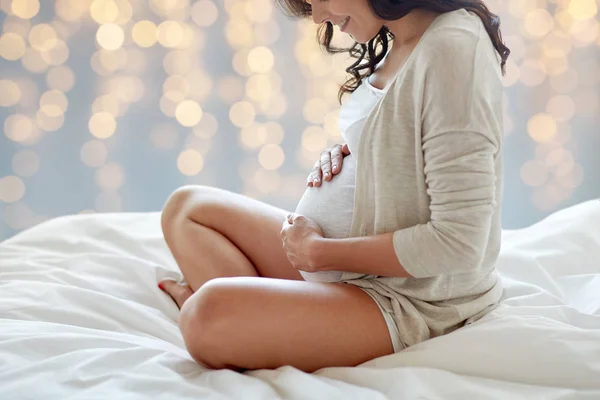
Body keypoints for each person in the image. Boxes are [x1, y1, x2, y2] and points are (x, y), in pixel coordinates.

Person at [158, 0, 510, 373]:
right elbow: (408, 139)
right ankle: (265, 320)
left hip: (407, 298)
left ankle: (253, 320)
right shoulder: (401, 34)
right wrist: (356, 153)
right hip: (349, 266)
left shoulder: (453, 48)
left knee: (204, 317)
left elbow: (461, 242)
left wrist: (321, 253)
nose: (318, 16)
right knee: (186, 210)